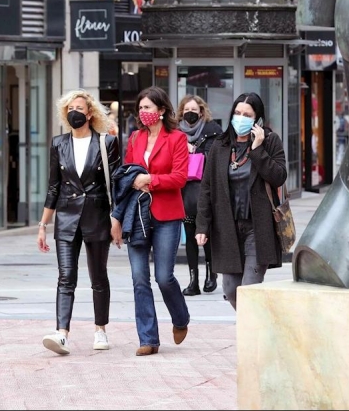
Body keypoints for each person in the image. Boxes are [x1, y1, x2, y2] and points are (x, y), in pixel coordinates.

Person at [37, 90, 121, 355]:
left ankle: (100, 330)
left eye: (80, 107)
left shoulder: (106, 142)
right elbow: (54, 186)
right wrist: (43, 225)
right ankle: (62, 334)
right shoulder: (58, 143)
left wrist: (116, 220)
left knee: (98, 277)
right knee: (66, 277)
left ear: (90, 113)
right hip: (66, 218)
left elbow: (116, 186)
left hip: (97, 216)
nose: (75, 111)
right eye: (70, 107)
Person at [195, 92, 287, 310]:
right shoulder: (221, 145)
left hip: (258, 227)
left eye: (247, 114)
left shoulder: (270, 141)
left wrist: (258, 149)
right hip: (227, 228)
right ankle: (256, 328)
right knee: (230, 290)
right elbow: (207, 187)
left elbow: (279, 176)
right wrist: (202, 226)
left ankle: (252, 340)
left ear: (257, 119)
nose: (241, 118)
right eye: (237, 113)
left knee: (250, 289)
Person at [119, 86, 190, 356]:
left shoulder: (177, 139)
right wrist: (117, 218)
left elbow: (180, 177)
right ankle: (148, 339)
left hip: (166, 215)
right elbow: (126, 174)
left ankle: (180, 317)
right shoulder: (135, 138)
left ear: (161, 111)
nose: (143, 112)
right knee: (139, 278)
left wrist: (150, 180)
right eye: (140, 108)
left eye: (147, 107)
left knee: (163, 276)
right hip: (136, 215)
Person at [175, 95, 222, 296]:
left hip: (207, 190)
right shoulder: (176, 134)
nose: (190, 113)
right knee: (190, 233)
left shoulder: (213, 131)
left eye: (194, 109)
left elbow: (218, 158)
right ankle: (193, 280)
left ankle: (211, 274)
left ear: (201, 111)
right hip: (185, 191)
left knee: (207, 234)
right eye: (186, 110)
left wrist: (195, 151)